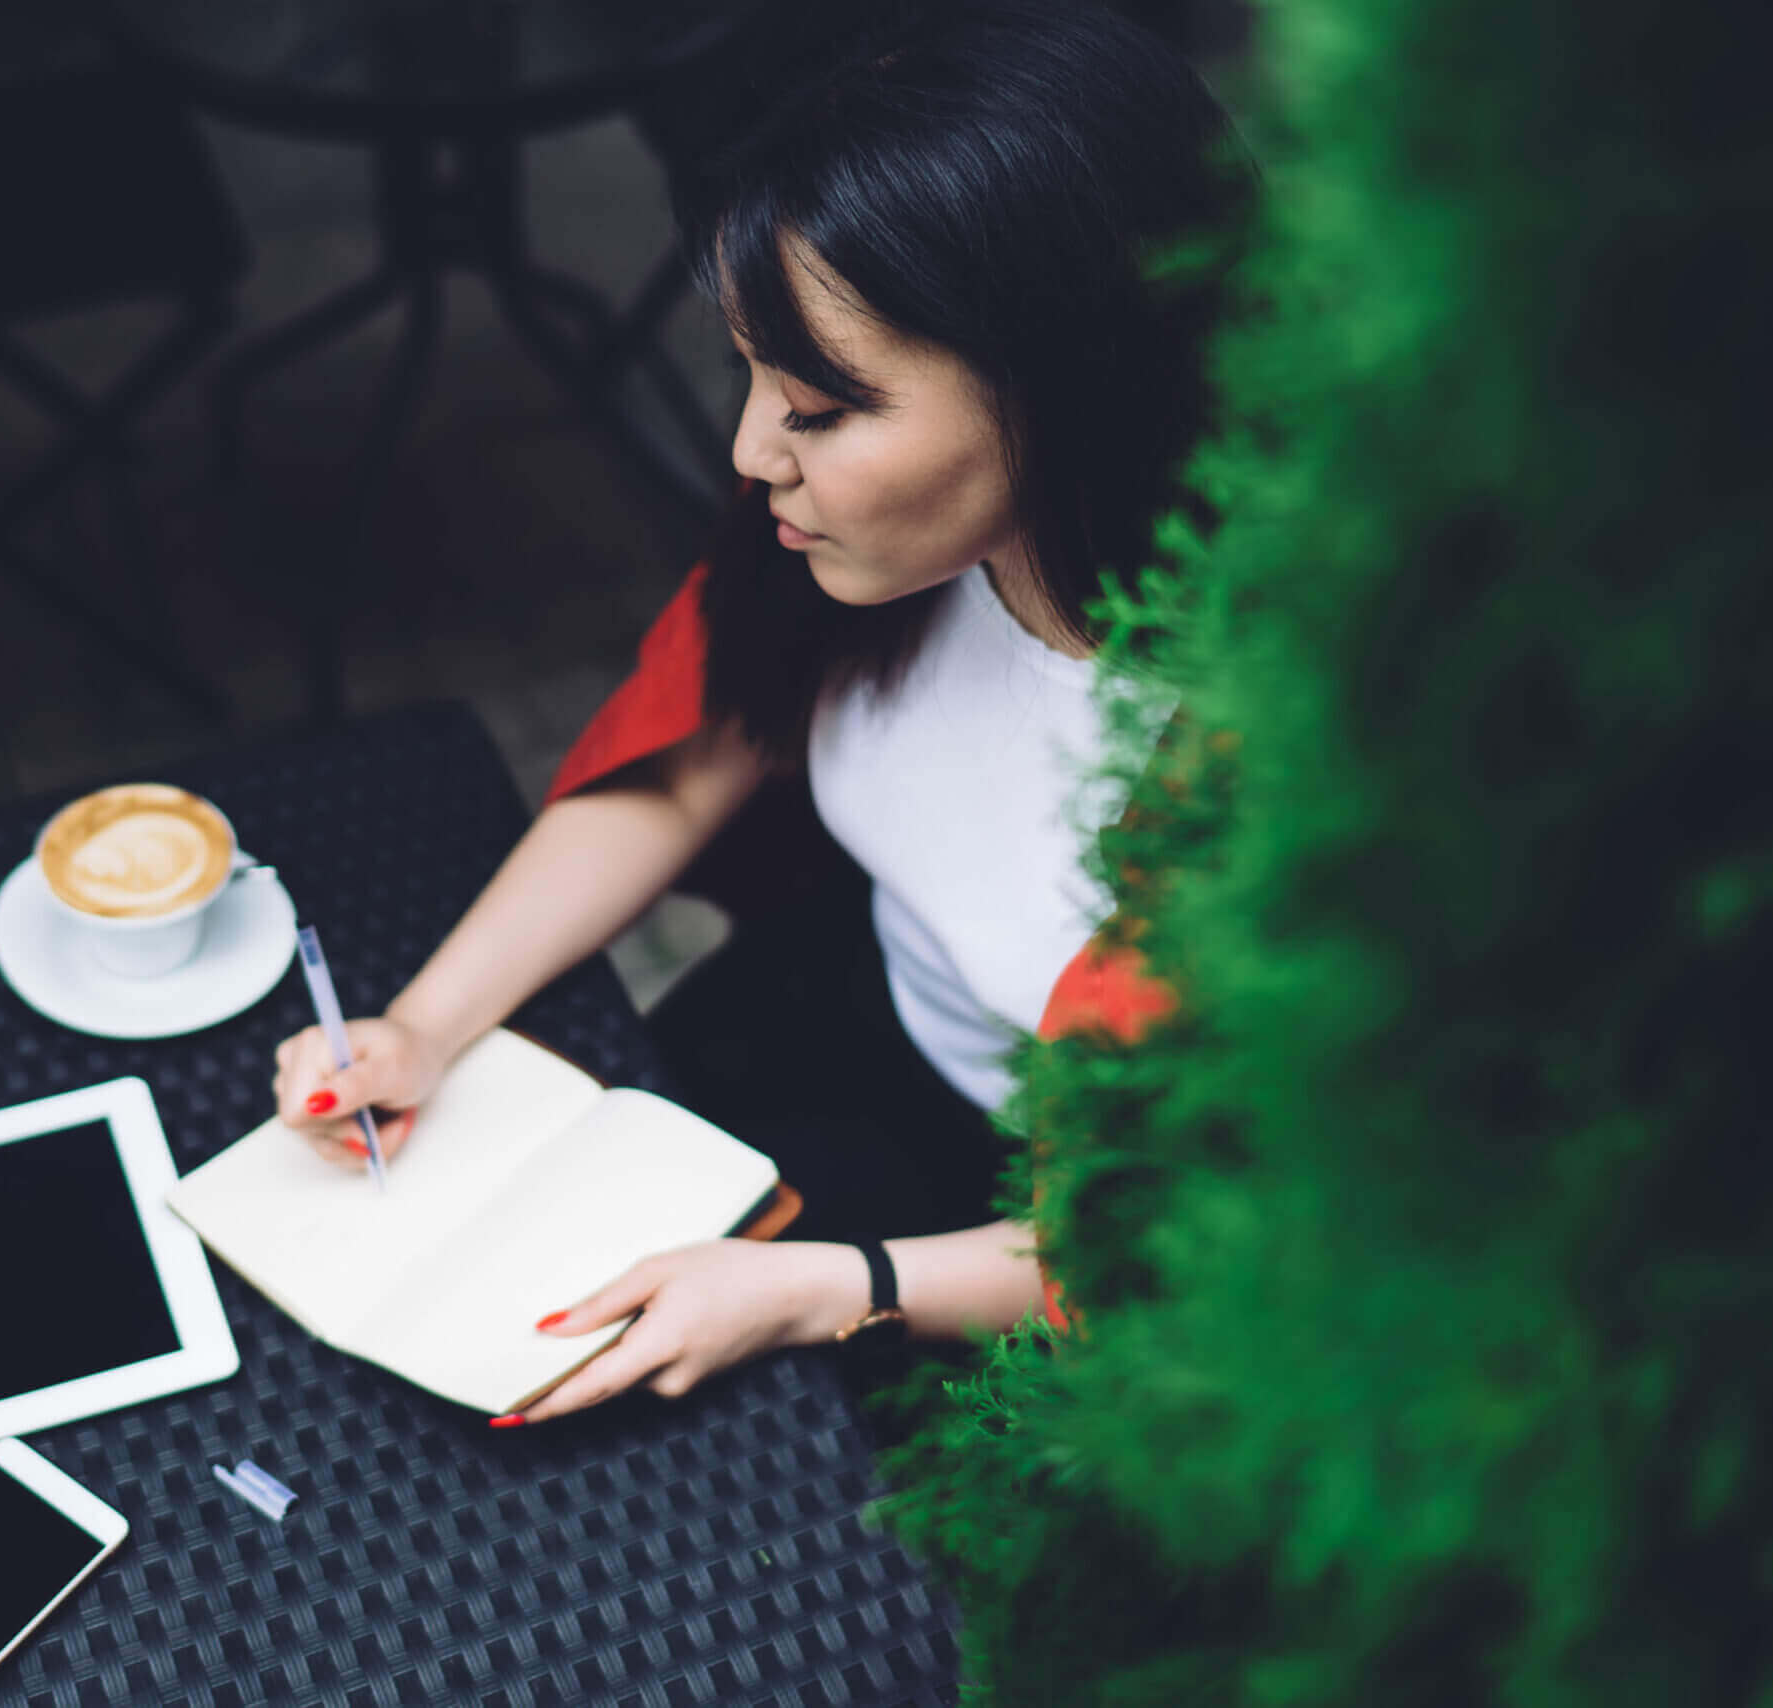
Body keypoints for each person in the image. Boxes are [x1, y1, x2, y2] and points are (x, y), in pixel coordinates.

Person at [272, 0, 1248, 1423]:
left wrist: (823, 1289)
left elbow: (1187, 1246)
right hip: (843, 1023)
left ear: (1068, 384)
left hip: (1038, 1227)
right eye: (751, 376)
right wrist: (423, 1026)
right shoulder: (881, 548)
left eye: (819, 407)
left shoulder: (1252, 777)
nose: (749, 453)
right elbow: (688, 756)